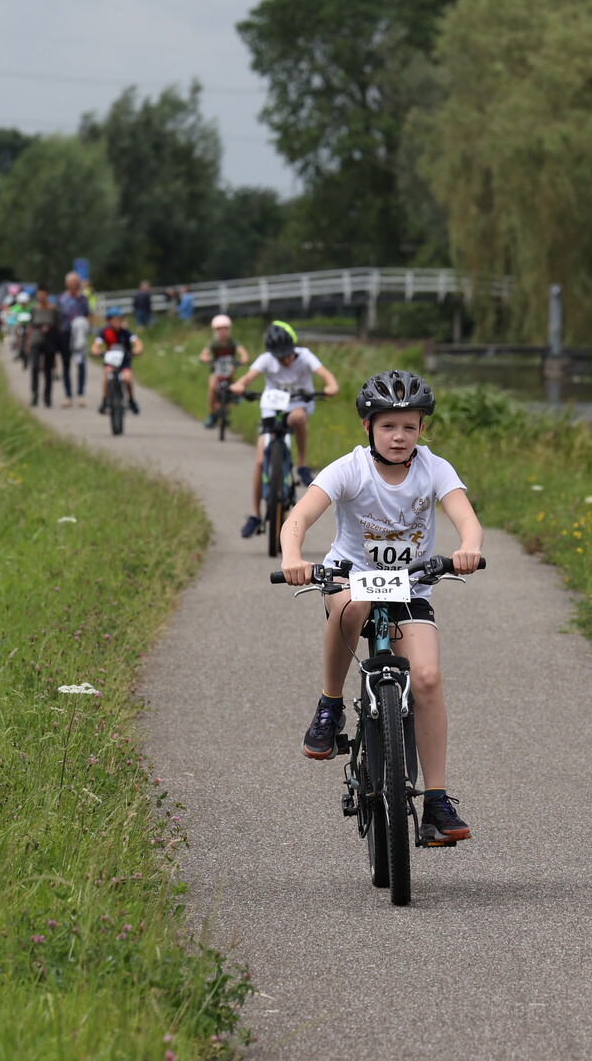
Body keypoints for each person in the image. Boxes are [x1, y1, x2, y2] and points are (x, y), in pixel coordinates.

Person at [278, 370, 483, 845]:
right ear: (367, 427)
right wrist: (293, 557)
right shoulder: (348, 468)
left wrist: (468, 548)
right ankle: (330, 705)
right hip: (350, 579)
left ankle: (435, 801)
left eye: (409, 427)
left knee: (428, 678)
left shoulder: (435, 469)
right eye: (388, 426)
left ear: (421, 430)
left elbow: (466, 520)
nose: (399, 436)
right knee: (354, 605)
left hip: (411, 585)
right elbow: (300, 517)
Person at [228, 321, 339, 538]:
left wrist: (330, 386)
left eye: (287, 354)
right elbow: (249, 377)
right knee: (260, 460)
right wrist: (240, 385)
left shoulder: (305, 355)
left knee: (298, 417)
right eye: (280, 357)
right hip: (273, 408)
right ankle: (254, 514)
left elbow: (325, 375)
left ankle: (302, 464)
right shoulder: (266, 360)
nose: (285, 360)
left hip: (299, 404)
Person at [197, 313, 249, 428]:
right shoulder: (213, 343)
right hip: (216, 371)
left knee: (233, 384)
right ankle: (211, 414)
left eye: (225, 329)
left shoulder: (232, 342)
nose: (222, 333)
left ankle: (233, 397)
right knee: (212, 388)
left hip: (230, 371)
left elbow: (243, 353)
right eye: (220, 330)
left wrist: (243, 359)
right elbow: (204, 354)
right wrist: (206, 359)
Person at [90, 306, 144, 413]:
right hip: (111, 361)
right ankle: (105, 400)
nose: (116, 323)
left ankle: (131, 400)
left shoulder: (126, 332)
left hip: (124, 362)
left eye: (118, 320)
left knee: (128, 379)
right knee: (107, 375)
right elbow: (96, 345)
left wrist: (136, 350)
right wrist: (96, 351)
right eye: (113, 320)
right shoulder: (105, 332)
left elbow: (137, 343)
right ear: (109, 321)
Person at [59, 272, 91, 407]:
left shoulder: (83, 299)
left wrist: (85, 326)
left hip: (80, 337)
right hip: (65, 334)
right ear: (67, 283)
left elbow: (89, 315)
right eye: (71, 281)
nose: (73, 284)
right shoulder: (61, 298)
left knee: (81, 364)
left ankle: (81, 395)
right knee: (66, 365)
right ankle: (68, 396)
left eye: (75, 281)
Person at [29, 289, 62, 407]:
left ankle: (47, 396)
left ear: (47, 295)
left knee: (48, 370)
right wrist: (28, 343)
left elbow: (58, 325)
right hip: (36, 340)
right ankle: (34, 394)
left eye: (43, 294)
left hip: (49, 341)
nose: (41, 296)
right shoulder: (34, 309)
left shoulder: (54, 309)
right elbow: (30, 326)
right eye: (39, 294)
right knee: (34, 367)